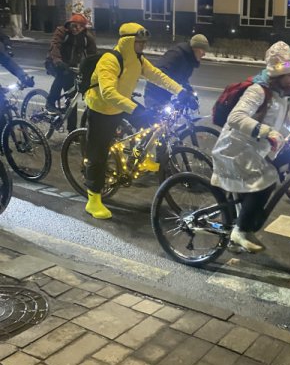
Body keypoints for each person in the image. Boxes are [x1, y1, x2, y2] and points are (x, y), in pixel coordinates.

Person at [83, 23, 197, 220]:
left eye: (144, 43)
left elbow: (157, 76)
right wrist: (135, 109)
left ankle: (141, 158)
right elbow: (108, 93)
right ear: (128, 42)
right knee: (98, 156)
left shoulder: (138, 59)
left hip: (122, 103)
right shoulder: (110, 60)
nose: (143, 46)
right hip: (102, 108)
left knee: (150, 124)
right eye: (139, 42)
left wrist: (180, 91)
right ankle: (93, 200)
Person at [211, 41, 290, 253]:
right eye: (289, 75)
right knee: (266, 180)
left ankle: (240, 227)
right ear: (277, 76)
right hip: (234, 148)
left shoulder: (280, 94)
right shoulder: (258, 91)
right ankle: (240, 231)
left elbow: (288, 118)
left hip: (253, 149)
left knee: (261, 182)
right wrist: (266, 131)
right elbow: (236, 117)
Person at [45, 13, 97, 130]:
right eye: (74, 25)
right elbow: (55, 46)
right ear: (69, 24)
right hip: (54, 62)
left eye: (80, 27)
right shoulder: (62, 31)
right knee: (62, 76)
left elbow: (93, 55)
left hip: (70, 67)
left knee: (72, 99)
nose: (76, 29)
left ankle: (72, 130)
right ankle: (50, 103)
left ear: (84, 28)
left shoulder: (86, 38)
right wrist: (58, 60)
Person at [143, 33, 210, 107]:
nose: (204, 54)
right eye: (203, 50)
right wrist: (180, 92)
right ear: (195, 48)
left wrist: (189, 91)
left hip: (167, 96)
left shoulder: (190, 60)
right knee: (154, 114)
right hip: (154, 95)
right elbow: (159, 74)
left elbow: (181, 78)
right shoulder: (176, 54)